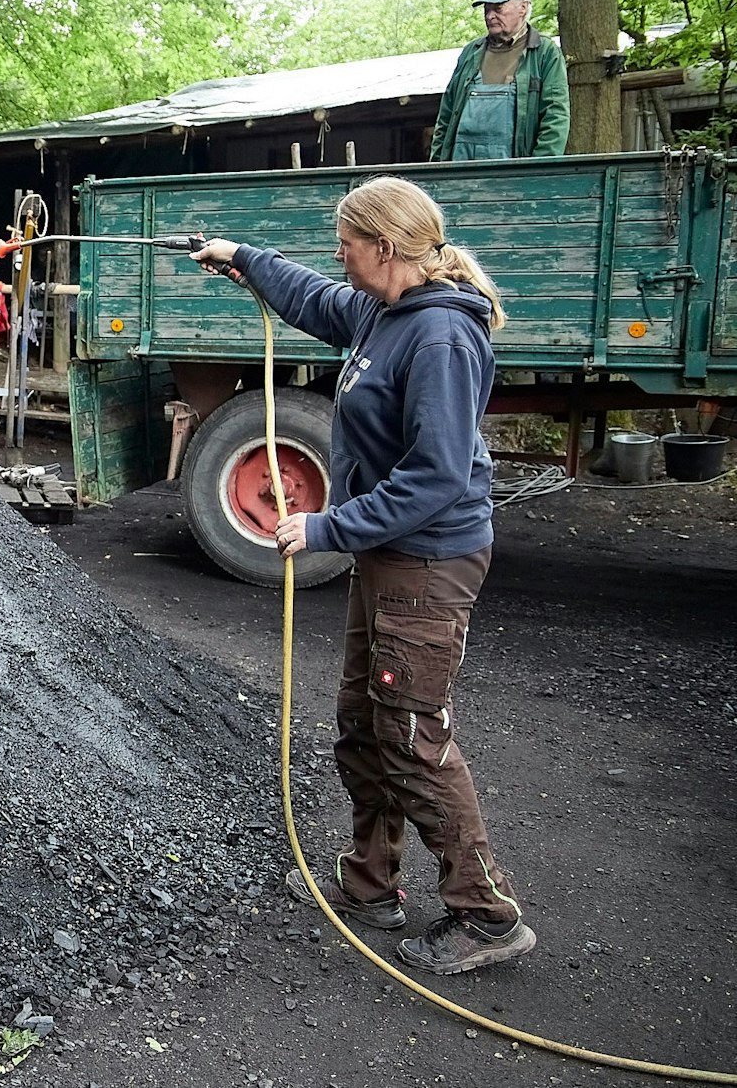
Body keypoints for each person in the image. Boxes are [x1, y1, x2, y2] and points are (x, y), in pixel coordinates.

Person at [190, 176, 536, 976]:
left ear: (383, 246)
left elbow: (437, 476)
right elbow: (312, 298)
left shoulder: (440, 338)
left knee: (411, 735)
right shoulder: (384, 311)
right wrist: (243, 257)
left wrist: (325, 527)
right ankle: (369, 883)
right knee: (362, 717)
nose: (336, 253)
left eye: (346, 241)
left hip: (427, 562)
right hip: (389, 558)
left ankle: (485, 917)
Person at [429, 0, 570, 162]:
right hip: (461, 166)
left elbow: (555, 115)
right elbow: (446, 114)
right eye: (487, 10)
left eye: (498, 9)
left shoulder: (544, 52)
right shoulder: (471, 52)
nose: (490, 16)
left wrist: (538, 168)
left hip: (514, 168)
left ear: (523, 8)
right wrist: (438, 165)